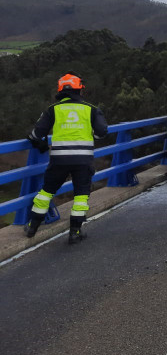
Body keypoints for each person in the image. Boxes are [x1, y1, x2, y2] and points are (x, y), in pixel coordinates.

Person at [25, 73, 108, 244]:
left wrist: (40, 145)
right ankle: (75, 232)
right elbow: (102, 132)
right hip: (83, 160)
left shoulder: (52, 109)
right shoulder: (91, 109)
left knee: (46, 192)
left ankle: (32, 227)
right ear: (79, 90)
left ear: (60, 91)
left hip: (59, 160)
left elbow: (35, 134)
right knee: (81, 196)